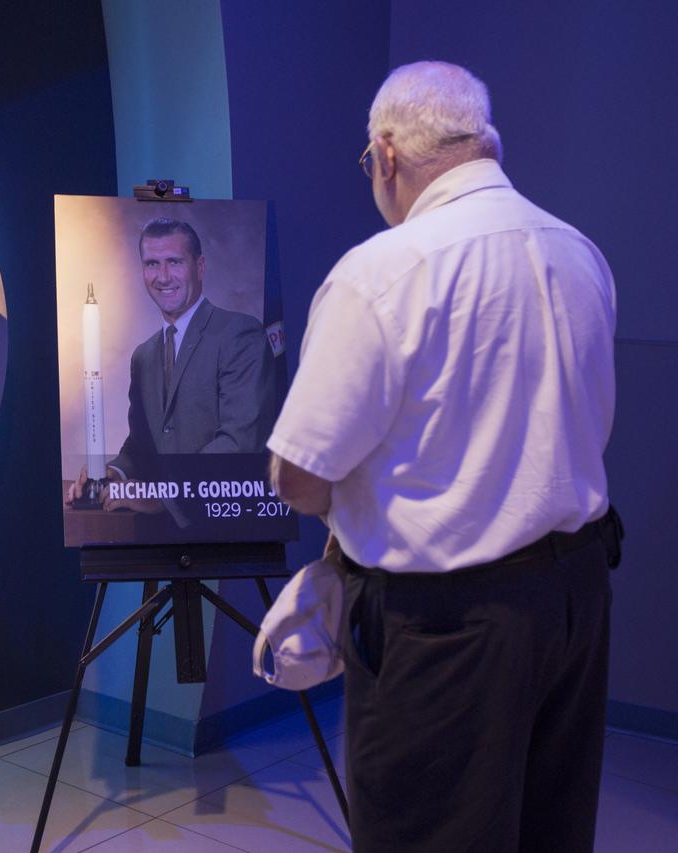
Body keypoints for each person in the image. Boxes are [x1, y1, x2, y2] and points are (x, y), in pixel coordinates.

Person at [268, 61, 620, 852]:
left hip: (448, 627)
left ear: (386, 155)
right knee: (551, 830)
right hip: (577, 603)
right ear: (483, 142)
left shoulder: (382, 273)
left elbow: (298, 474)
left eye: (369, 165)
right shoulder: (579, 254)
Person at [67, 217, 275, 512]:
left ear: (199, 267)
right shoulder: (144, 356)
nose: (163, 277)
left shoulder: (239, 335)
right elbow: (142, 445)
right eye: (152, 264)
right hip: (156, 538)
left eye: (174, 262)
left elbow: (238, 444)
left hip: (226, 531)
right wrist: (109, 473)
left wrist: (163, 495)